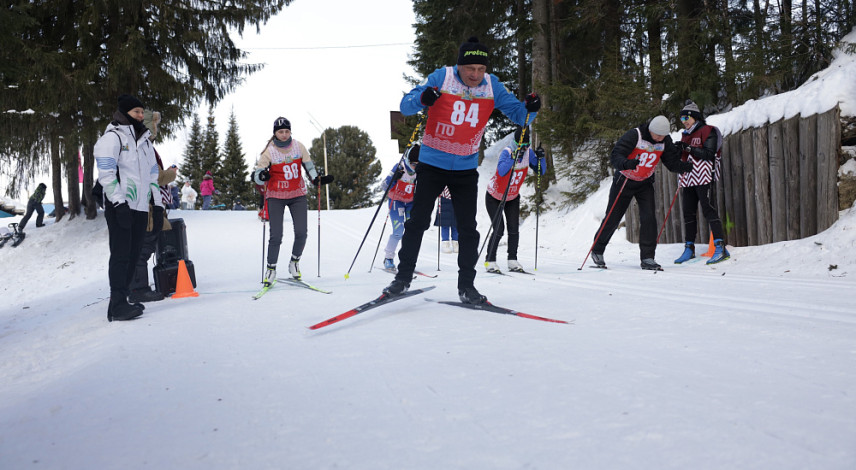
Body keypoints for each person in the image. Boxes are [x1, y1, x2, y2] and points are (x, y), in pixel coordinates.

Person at [384, 36, 541, 304]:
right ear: (460, 66)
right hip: (433, 164)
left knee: (469, 229)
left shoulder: (492, 86)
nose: (476, 75)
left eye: (481, 69)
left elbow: (519, 116)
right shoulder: (442, 77)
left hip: (466, 168)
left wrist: (531, 109)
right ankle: (402, 278)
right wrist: (423, 98)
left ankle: (467, 287)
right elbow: (406, 105)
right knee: (418, 222)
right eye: (470, 69)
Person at [590, 115, 693, 270]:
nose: (659, 139)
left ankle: (647, 258)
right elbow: (615, 155)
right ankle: (597, 251)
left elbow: (671, 162)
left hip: (644, 182)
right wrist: (626, 163)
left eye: (663, 136)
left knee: (649, 218)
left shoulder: (665, 141)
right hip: (625, 180)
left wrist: (683, 167)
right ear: (650, 130)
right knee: (613, 217)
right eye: (657, 135)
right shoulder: (635, 135)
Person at [94, 94, 163, 321]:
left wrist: (158, 204)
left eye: (142, 113)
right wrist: (118, 202)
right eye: (136, 112)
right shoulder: (112, 138)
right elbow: (106, 174)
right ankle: (117, 303)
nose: (141, 116)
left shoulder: (144, 142)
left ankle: (122, 301)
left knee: (134, 255)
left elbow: (153, 174)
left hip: (141, 206)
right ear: (124, 113)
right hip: (120, 206)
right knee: (121, 254)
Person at [253, 117, 334, 286]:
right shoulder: (269, 151)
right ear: (275, 133)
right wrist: (262, 176)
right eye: (280, 132)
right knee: (276, 235)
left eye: (287, 131)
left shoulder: (298, 147)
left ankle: (294, 263)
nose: (284, 135)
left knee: (302, 233)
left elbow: (309, 167)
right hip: (276, 196)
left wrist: (317, 180)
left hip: (297, 195)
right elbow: (257, 174)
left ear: (290, 131)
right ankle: (271, 268)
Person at [673, 100, 730, 265]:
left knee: (708, 209)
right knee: (688, 212)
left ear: (694, 116)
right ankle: (689, 248)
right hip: (688, 177)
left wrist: (688, 148)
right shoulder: (685, 134)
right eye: (682, 118)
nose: (684, 120)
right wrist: (679, 151)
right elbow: (683, 155)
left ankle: (720, 246)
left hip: (704, 176)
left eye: (686, 117)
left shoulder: (708, 130)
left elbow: (709, 153)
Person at [128, 110, 176, 304]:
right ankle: (138, 289)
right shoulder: (139, 147)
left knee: (142, 246)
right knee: (142, 247)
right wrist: (170, 175)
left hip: (145, 203)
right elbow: (150, 176)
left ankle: (136, 287)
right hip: (143, 204)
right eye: (154, 126)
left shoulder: (141, 145)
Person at [483, 127, 546, 273]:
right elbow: (502, 171)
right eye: (521, 145)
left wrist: (540, 158)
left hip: (511, 197)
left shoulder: (528, 152)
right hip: (494, 196)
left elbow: (540, 171)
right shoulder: (507, 151)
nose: (524, 148)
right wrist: (514, 158)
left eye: (526, 145)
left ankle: (512, 260)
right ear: (516, 143)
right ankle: (489, 261)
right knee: (499, 230)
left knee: (514, 229)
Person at [381, 145, 420, 271]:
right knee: (398, 231)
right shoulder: (399, 167)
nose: (415, 167)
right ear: (408, 160)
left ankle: (407, 260)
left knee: (411, 232)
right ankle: (388, 258)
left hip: (410, 203)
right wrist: (394, 178)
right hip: (396, 201)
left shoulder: (420, 171)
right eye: (414, 164)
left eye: (418, 164)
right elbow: (384, 186)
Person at [434, 186, 458, 253]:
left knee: (455, 224)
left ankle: (455, 243)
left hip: (456, 199)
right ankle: (445, 243)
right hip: (444, 200)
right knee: (445, 224)